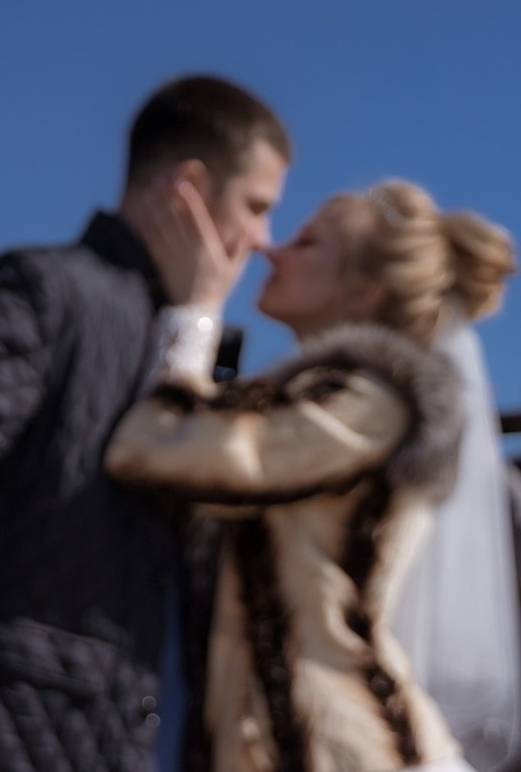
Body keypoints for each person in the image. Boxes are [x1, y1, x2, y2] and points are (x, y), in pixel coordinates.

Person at [0, 74, 290, 772]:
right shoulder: (54, 290)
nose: (264, 238)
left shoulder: (179, 335)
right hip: (25, 727)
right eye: (257, 206)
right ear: (190, 188)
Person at [106, 178, 515, 771]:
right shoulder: (304, 402)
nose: (271, 251)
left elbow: (156, 448)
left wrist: (195, 314)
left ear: (364, 290)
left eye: (306, 243)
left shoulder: (372, 404)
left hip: (339, 748)